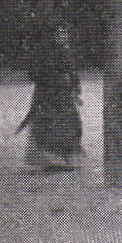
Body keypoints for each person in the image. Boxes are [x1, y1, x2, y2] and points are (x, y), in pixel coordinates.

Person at [18, 19, 83, 170]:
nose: (63, 37)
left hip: (64, 95)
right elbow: (35, 73)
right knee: (48, 124)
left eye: (64, 34)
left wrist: (75, 88)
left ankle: (67, 158)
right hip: (48, 94)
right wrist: (54, 79)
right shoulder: (44, 53)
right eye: (59, 34)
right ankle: (51, 159)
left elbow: (72, 72)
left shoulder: (66, 51)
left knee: (71, 124)